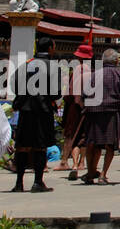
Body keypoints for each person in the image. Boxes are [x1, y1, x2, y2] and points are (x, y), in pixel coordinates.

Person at [10, 36, 59, 192]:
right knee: (40, 147)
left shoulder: (26, 65)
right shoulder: (52, 67)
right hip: (43, 111)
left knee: (23, 146)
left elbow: (14, 84)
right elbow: (56, 93)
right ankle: (38, 182)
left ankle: (19, 183)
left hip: (26, 110)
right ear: (50, 48)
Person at [81, 48, 120, 185]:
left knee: (92, 143)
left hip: (93, 111)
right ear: (116, 61)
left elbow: (84, 94)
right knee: (109, 144)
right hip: (111, 111)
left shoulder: (95, 74)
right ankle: (102, 175)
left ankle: (90, 172)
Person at [59, 43, 93, 180]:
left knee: (73, 135)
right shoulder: (93, 71)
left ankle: (70, 163)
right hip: (88, 107)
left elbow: (69, 93)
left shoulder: (77, 70)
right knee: (84, 136)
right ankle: (82, 162)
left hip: (74, 107)